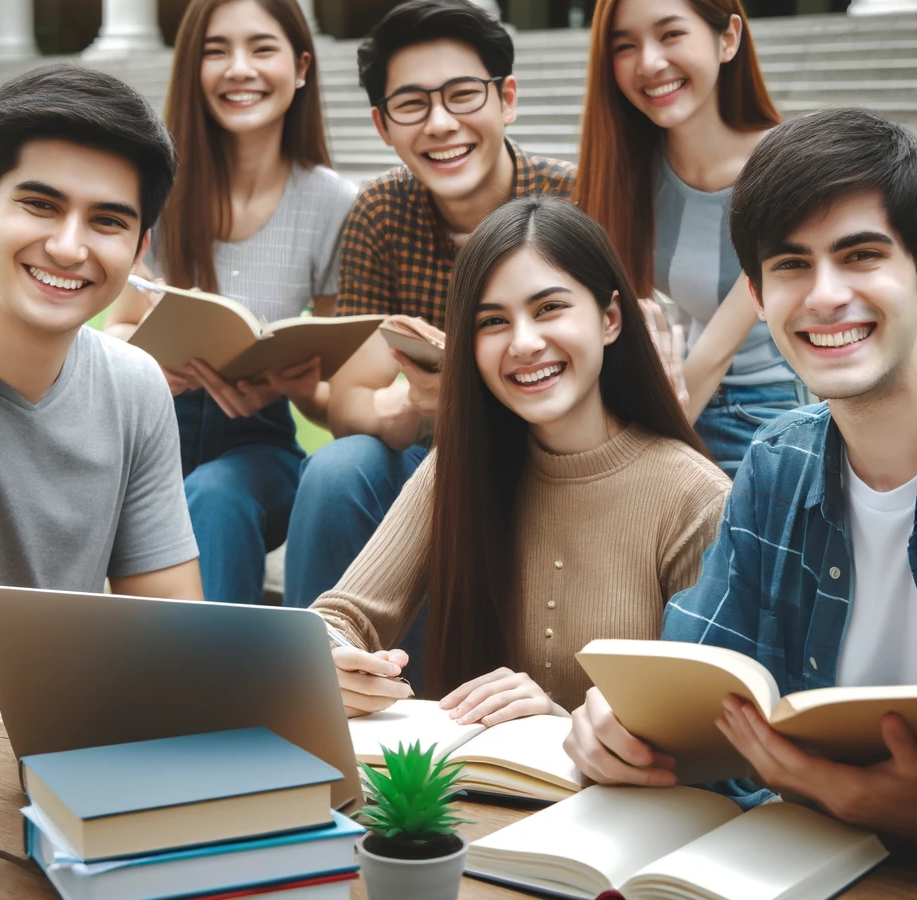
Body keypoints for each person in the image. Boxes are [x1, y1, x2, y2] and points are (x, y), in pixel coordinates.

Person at [565, 108, 917, 841]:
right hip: (791, 862)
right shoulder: (777, 461)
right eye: (791, 265)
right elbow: (695, 685)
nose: (824, 296)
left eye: (860, 256)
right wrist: (617, 727)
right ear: (757, 297)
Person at [311, 195, 729, 722]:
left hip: (618, 801)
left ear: (610, 319)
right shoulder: (460, 465)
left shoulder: (697, 497)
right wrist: (331, 659)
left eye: (549, 308)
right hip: (468, 797)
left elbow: (702, 730)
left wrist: (558, 721)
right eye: (492, 322)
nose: (525, 343)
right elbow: (342, 615)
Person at [0, 64, 203, 721]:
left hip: (65, 769)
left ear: (140, 247)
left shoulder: (133, 386)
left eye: (108, 221)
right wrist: (84, 662)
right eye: (40, 205)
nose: (68, 247)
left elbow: (177, 637)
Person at [283, 0, 576, 614]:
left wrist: (472, 398)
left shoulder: (569, 200)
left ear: (508, 99)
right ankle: (310, 676)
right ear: (382, 126)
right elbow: (348, 403)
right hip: (426, 454)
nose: (440, 124)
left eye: (463, 94)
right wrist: (408, 408)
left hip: (547, 459)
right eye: (412, 104)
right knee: (340, 470)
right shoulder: (380, 214)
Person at [106, 0, 357, 604]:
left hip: (259, 444)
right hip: (156, 432)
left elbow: (337, 379)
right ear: (193, 69)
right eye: (216, 50)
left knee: (215, 497)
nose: (238, 68)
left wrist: (294, 384)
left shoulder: (332, 202)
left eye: (261, 48)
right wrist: (150, 364)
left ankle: (217, 689)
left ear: (301, 67)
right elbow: (118, 329)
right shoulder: (158, 187)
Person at [575, 0, 806, 475]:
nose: (650, 63)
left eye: (671, 33)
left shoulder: (787, 166)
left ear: (727, 38)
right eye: (624, 45)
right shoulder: (627, 170)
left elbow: (719, 350)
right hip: (690, 395)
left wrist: (634, 457)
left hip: (784, 404)